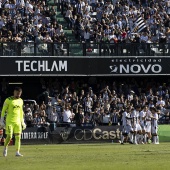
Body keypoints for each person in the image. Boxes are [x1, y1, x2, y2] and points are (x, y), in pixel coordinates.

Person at [0, 87, 26, 157]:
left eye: (19, 94)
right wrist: (1, 121)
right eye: (17, 93)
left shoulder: (21, 100)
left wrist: (22, 122)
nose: (18, 95)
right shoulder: (8, 100)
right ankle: (5, 147)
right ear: (14, 92)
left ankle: (17, 152)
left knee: (18, 137)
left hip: (17, 122)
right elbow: (3, 111)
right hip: (10, 121)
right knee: (10, 136)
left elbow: (21, 112)